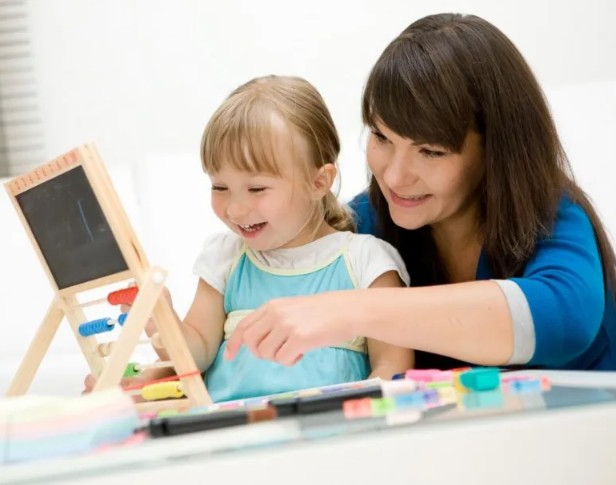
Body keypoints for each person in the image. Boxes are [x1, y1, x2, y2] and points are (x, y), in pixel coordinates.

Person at [225, 13, 616, 371]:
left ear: (494, 150)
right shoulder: (364, 225)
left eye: (430, 151)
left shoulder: (551, 212)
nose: (395, 177)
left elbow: (563, 318)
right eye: (381, 136)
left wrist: (352, 310)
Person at [85, 75, 412, 402]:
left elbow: (392, 367)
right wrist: (161, 320)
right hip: (228, 427)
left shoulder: (366, 261)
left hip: (329, 428)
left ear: (318, 182)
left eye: (256, 188)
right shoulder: (225, 257)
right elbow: (195, 355)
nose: (235, 209)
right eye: (220, 187)